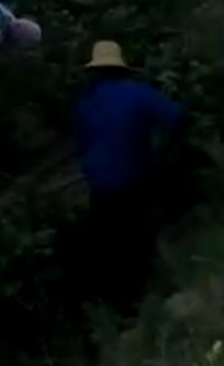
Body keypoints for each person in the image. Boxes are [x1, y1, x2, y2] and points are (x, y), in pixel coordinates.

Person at [75, 40, 186, 313]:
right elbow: (178, 119)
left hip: (100, 190)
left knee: (109, 249)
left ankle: (115, 307)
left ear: (95, 71)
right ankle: (142, 301)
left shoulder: (85, 106)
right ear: (121, 68)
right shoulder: (139, 94)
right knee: (138, 241)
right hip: (133, 182)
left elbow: (81, 149)